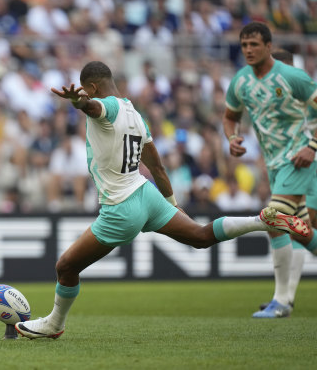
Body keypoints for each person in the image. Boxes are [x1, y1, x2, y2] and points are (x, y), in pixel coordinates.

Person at [15, 61, 309, 339]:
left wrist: (78, 103)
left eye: (85, 90)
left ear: (91, 87)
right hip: (147, 193)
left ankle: (54, 324)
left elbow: (92, 108)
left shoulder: (108, 106)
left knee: (66, 267)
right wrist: (170, 202)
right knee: (200, 236)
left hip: (122, 206)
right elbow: (157, 167)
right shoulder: (136, 115)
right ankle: (260, 221)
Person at [223, 22, 317, 318]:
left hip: (300, 158)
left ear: (268, 45)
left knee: (273, 217)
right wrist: (232, 137)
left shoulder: (293, 77)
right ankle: (284, 298)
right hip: (274, 164)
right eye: (244, 45)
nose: (248, 50)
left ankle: (282, 301)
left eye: (254, 45)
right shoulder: (240, 81)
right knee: (302, 231)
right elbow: (229, 116)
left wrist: (312, 146)